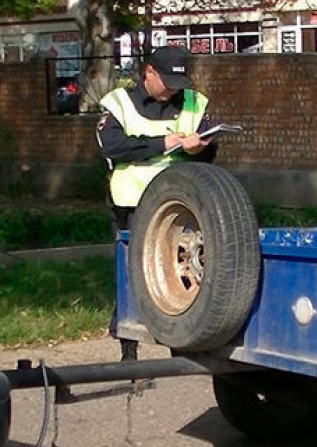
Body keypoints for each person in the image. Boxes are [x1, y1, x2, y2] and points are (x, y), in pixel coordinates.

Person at [96, 45, 217, 361]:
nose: (174, 91)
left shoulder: (194, 102)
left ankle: (180, 343)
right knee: (132, 270)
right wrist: (161, 144)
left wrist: (195, 149)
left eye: (179, 84)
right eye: (167, 82)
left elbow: (209, 146)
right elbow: (112, 146)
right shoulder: (119, 103)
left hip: (181, 204)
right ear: (148, 72)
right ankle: (128, 344)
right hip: (133, 202)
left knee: (181, 270)